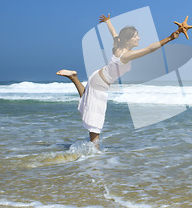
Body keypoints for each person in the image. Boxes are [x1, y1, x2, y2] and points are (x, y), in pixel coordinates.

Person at [57, 14, 181, 147]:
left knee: (87, 101)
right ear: (127, 41)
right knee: (95, 119)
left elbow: (114, 33)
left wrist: (108, 22)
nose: (138, 38)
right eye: (135, 36)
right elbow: (150, 49)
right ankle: (95, 152)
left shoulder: (118, 46)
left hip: (98, 78)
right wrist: (170, 38)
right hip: (100, 83)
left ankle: (74, 77)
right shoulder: (126, 55)